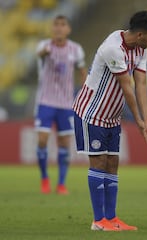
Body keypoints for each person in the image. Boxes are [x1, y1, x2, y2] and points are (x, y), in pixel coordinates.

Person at [72, 10, 147, 231]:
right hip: (91, 112)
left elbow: (141, 83)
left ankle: (112, 219)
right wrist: (138, 121)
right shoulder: (113, 47)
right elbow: (127, 87)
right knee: (99, 162)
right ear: (140, 34)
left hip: (112, 116)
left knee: (113, 164)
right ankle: (98, 220)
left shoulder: (141, 49)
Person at [34, 15, 87, 195]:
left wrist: (85, 93)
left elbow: (82, 71)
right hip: (45, 101)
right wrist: (46, 53)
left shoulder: (76, 49)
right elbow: (39, 54)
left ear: (68, 29)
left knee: (64, 143)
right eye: (56, 25)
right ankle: (44, 178)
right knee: (42, 140)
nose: (59, 28)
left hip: (66, 104)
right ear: (52, 28)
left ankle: (61, 183)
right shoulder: (44, 46)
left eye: (62, 25)